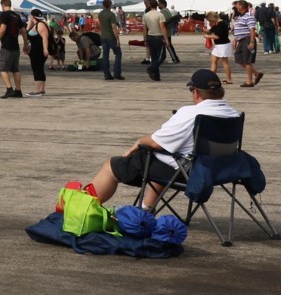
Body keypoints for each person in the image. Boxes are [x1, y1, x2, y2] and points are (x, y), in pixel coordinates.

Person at [85, 70, 239, 208]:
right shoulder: (234, 114)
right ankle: (146, 209)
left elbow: (155, 143)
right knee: (167, 155)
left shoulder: (191, 113)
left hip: (189, 172)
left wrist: (138, 142)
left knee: (113, 165)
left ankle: (82, 208)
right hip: (219, 170)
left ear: (195, 92)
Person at [0, 0, 24, 98]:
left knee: (3, 68)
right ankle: (18, 90)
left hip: (6, 46)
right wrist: (25, 43)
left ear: (2, 5)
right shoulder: (16, 15)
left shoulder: (4, 14)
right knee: (15, 69)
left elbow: (2, 29)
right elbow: (23, 30)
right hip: (16, 46)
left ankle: (9, 89)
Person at [232, 0, 262, 88]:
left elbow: (252, 29)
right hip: (241, 40)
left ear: (241, 6)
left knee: (247, 61)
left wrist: (252, 41)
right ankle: (256, 74)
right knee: (238, 58)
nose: (235, 7)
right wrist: (235, 39)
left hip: (247, 39)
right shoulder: (241, 16)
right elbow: (239, 29)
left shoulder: (249, 16)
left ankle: (249, 81)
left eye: (237, 5)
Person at [24, 8, 51, 97]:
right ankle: (42, 89)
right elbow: (26, 33)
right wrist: (31, 22)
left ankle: (37, 91)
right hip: (35, 51)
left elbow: (44, 37)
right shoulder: (36, 24)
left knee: (37, 69)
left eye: (30, 15)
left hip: (39, 51)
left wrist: (45, 49)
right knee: (40, 69)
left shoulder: (40, 25)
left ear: (32, 16)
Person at [97, 0, 124, 81]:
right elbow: (113, 28)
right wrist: (118, 39)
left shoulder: (100, 14)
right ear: (110, 5)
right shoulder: (111, 14)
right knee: (118, 53)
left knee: (105, 56)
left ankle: (107, 74)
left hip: (103, 36)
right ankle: (117, 73)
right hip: (111, 37)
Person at [141, 0, 168, 82]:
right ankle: (151, 68)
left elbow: (144, 28)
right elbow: (162, 27)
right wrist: (166, 39)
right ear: (157, 5)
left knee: (154, 57)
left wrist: (145, 38)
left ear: (149, 5)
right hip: (158, 37)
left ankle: (156, 76)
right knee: (162, 57)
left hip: (150, 37)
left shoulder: (146, 15)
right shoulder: (159, 15)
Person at [205, 11, 234, 83]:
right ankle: (212, 77)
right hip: (218, 45)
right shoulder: (217, 24)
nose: (210, 22)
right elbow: (210, 31)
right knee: (213, 60)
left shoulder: (221, 24)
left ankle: (229, 79)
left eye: (210, 20)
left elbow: (217, 36)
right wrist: (206, 31)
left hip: (223, 45)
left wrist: (208, 36)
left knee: (224, 62)